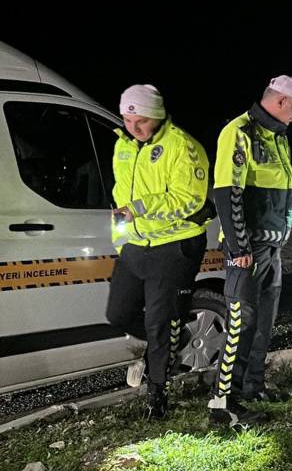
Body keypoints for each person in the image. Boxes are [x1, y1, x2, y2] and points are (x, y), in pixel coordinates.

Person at [208, 75, 292, 426]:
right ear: (281, 101)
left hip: (273, 248)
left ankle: (253, 387)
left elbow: (283, 189)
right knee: (241, 322)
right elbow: (226, 192)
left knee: (264, 322)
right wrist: (239, 247)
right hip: (249, 249)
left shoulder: (277, 137)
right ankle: (223, 404)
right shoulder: (239, 132)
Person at [106, 84, 213, 419]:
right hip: (136, 247)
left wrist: (138, 209)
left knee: (157, 322)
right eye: (127, 118)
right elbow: (119, 194)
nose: (132, 127)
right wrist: (121, 238)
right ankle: (168, 341)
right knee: (118, 314)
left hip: (173, 248)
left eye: (140, 120)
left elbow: (188, 199)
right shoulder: (122, 145)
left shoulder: (182, 146)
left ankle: (157, 397)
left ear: (157, 113)